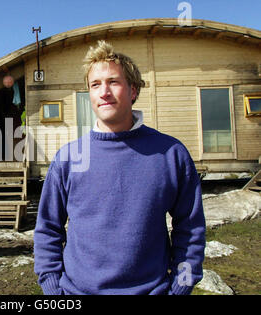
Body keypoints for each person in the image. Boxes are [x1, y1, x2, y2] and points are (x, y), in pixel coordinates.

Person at [33, 40, 206, 295]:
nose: (104, 92)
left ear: (133, 90)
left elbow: (190, 229)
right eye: (95, 85)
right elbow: (47, 228)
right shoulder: (68, 159)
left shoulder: (171, 154)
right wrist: (52, 287)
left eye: (113, 82)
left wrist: (181, 286)